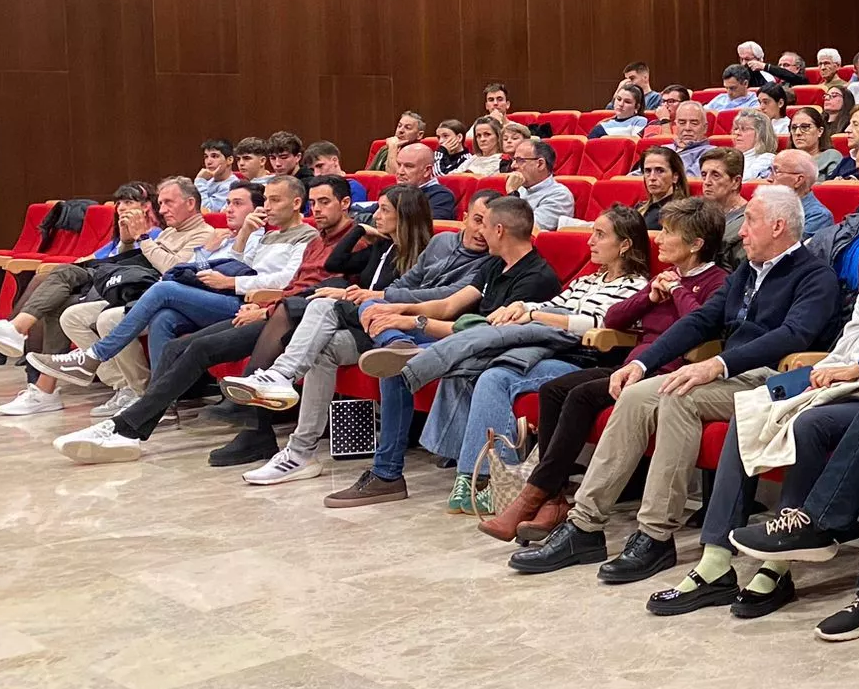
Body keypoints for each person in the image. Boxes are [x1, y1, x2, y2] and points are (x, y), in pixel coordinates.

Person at [656, 192, 859, 618]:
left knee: (810, 424)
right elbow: (844, 347)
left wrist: (857, 368)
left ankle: (780, 561)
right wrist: (825, 370)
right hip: (842, 384)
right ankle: (716, 559)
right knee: (750, 408)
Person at [506, 186, 841, 585]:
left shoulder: (815, 275)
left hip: (775, 380)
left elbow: (793, 335)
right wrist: (642, 363)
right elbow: (700, 321)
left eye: (750, 221)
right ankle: (584, 526)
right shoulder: (747, 271)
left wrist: (718, 364)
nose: (741, 231)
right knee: (634, 393)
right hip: (732, 373)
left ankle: (655, 535)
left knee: (679, 396)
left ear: (778, 226)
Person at [485, 198, 730, 541]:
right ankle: (552, 499)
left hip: (670, 371)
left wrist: (677, 291)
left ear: (695, 244)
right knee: (553, 390)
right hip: (633, 365)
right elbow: (614, 318)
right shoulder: (665, 277)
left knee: (581, 396)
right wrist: (650, 296)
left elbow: (701, 324)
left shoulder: (718, 281)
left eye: (668, 233)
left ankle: (533, 497)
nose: (659, 239)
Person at [318, 195, 559, 507]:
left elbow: (487, 335)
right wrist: (395, 307)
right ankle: (397, 345)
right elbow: (448, 305)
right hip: (466, 339)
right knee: (380, 318)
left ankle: (387, 474)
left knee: (398, 369)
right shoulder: (495, 265)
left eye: (484, 225)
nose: (479, 232)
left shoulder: (536, 278)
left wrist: (413, 320)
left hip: (495, 352)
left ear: (499, 230)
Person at [439, 206, 659, 515]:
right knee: (476, 369)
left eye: (600, 235)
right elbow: (552, 304)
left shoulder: (635, 286)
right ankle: (474, 476)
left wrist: (535, 315)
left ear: (624, 244)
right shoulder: (587, 281)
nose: (590, 242)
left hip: (586, 359)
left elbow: (599, 322)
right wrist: (521, 307)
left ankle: (501, 479)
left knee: (495, 376)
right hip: (552, 351)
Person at [218, 185, 442, 485]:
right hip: (362, 327)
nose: (376, 215)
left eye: (384, 210)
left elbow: (411, 300)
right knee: (322, 349)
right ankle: (300, 453)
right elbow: (334, 264)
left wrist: (353, 296)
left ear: (405, 216)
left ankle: (281, 375)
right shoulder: (382, 247)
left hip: (393, 331)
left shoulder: (426, 254)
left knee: (323, 304)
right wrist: (358, 231)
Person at [29, 174, 315, 396]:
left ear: (296, 203)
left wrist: (231, 280)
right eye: (266, 200)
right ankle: (161, 399)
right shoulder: (263, 235)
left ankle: (95, 356)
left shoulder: (306, 237)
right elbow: (242, 264)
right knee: (164, 317)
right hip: (221, 292)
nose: (267, 207)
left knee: (163, 291)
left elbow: (286, 280)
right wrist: (243, 237)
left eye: (274, 200)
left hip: (248, 302)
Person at [505, 139, 575, 228]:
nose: (513, 165)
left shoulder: (560, 195)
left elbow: (525, 229)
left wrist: (512, 194)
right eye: (513, 160)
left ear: (540, 164)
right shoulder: (520, 189)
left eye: (520, 160)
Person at [768, 149, 835, 235]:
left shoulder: (818, 216)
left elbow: (785, 244)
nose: (769, 178)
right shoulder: (766, 206)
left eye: (776, 171)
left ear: (798, 180)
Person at [631, 145, 689, 227]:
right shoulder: (639, 208)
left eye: (660, 171)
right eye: (647, 171)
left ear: (675, 176)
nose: (652, 177)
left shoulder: (681, 213)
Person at [787, 106, 850, 180]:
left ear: (820, 131)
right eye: (794, 128)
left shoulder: (831, 156)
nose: (797, 132)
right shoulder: (785, 159)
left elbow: (833, 185)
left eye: (805, 127)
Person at [730, 108, 778, 182]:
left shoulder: (767, 158)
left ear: (760, 134)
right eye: (736, 129)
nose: (737, 133)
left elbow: (743, 181)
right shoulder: (729, 157)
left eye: (744, 129)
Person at [195, 139, 236, 208]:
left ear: (229, 160)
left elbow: (207, 211)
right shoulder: (207, 180)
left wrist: (199, 182)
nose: (208, 162)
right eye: (206, 157)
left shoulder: (232, 186)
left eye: (214, 156)